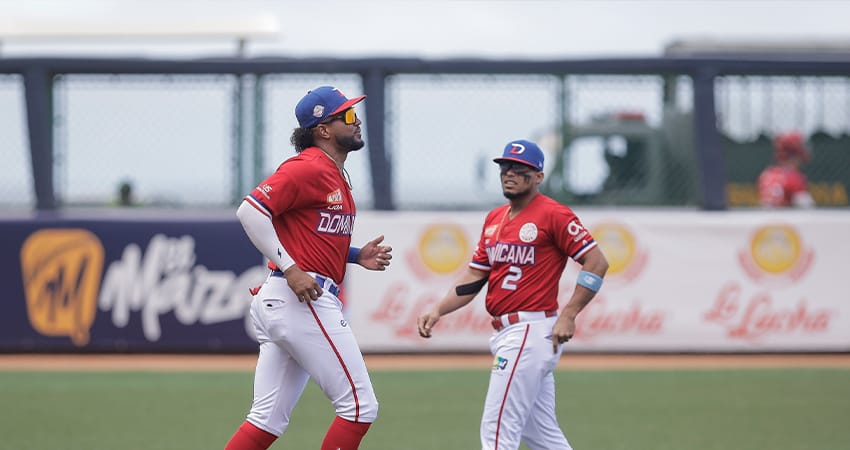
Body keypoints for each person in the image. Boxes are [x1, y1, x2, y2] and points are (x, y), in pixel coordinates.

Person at [224, 86, 393, 450]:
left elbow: (311, 236)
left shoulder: (333, 173)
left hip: (284, 300)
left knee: (266, 420)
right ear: (324, 129)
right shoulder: (308, 166)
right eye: (348, 115)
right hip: (300, 298)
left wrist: (355, 254)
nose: (357, 119)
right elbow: (250, 211)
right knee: (360, 407)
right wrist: (291, 268)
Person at [417, 139, 609, 450]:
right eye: (505, 167)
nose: (510, 173)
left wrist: (570, 313)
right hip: (512, 333)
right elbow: (475, 276)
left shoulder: (553, 214)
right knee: (542, 437)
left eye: (520, 169)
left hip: (531, 331)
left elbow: (597, 261)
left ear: (538, 177)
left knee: (496, 433)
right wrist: (438, 310)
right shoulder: (494, 219)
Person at [757, 131, 815, 208]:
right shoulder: (794, 177)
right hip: (785, 218)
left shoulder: (766, 175)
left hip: (766, 218)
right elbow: (807, 208)